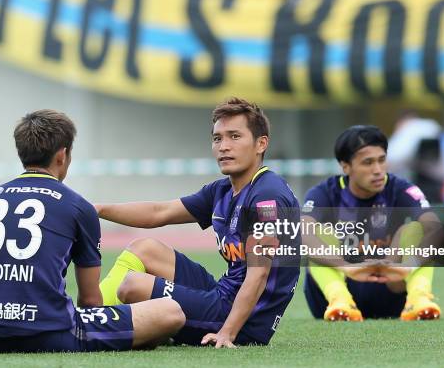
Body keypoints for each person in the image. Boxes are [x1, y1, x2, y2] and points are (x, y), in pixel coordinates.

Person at [0, 109, 185, 353]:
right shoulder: (79, 206)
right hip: (53, 333)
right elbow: (90, 300)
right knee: (170, 311)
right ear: (62, 155)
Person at [96, 97, 301, 348]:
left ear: (261, 144)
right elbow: (159, 212)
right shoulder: (223, 190)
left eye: (235, 137)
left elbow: (259, 275)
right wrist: (97, 209)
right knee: (143, 248)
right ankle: (90, 316)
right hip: (223, 294)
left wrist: (227, 333)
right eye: (218, 138)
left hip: (244, 321)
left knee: (132, 286)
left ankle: (95, 328)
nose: (224, 146)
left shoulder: (266, 197)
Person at [302, 125, 442, 322]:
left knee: (417, 229)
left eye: (382, 160)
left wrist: (408, 266)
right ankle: (340, 301)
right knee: (315, 232)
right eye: (368, 163)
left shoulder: (401, 189)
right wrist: (345, 266)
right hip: (333, 296)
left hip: (391, 290)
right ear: (346, 166)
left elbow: (435, 229)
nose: (377, 170)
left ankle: (419, 298)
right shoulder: (323, 193)